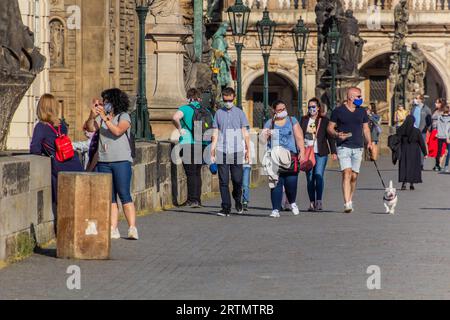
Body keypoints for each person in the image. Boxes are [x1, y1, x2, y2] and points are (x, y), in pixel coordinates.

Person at [84, 88, 138, 240]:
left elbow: (118, 131)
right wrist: (92, 116)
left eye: (106, 101)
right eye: (103, 102)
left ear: (114, 102)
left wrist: (105, 118)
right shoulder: (101, 119)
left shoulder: (124, 116)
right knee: (110, 197)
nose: (104, 104)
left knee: (124, 194)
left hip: (121, 160)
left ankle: (132, 227)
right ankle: (113, 228)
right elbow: (90, 128)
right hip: (104, 161)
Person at [30, 94, 83, 206]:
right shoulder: (62, 125)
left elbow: (35, 149)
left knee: (63, 202)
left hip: (58, 166)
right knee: (76, 200)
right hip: (73, 162)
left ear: (41, 108)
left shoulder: (41, 126)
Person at [327, 87, 373, 213]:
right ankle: (347, 203)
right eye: (358, 96)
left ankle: (350, 199)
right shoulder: (338, 111)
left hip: (358, 147)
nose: (360, 99)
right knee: (346, 173)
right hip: (343, 146)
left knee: (354, 176)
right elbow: (330, 128)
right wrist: (337, 135)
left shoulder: (362, 111)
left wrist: (369, 142)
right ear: (351, 97)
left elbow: (366, 128)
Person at [262, 100, 305, 218]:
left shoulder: (292, 120)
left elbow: (299, 137)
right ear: (274, 111)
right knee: (276, 184)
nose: (282, 112)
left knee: (291, 182)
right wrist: (266, 135)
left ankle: (292, 202)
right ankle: (275, 209)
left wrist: (302, 151)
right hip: (274, 157)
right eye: (279, 110)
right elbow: (262, 141)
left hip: (291, 155)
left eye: (284, 109)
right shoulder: (269, 123)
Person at [210, 87, 250, 216]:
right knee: (223, 180)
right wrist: (212, 149)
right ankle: (225, 207)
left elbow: (245, 132)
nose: (228, 102)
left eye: (230, 100)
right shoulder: (218, 113)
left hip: (237, 150)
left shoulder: (240, 113)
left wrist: (248, 149)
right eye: (225, 100)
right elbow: (215, 132)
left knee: (237, 180)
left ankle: (237, 199)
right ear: (223, 98)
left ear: (234, 98)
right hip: (222, 149)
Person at [172, 88, 211, 208]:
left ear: (188, 97)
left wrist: (179, 129)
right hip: (202, 143)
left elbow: (175, 117)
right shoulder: (206, 111)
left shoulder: (185, 108)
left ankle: (192, 200)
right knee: (197, 172)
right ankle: (197, 199)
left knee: (190, 173)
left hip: (188, 143)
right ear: (199, 98)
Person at [300, 98, 337, 212]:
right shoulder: (304, 120)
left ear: (318, 108)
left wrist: (333, 151)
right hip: (307, 152)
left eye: (313, 107)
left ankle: (319, 201)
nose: (311, 109)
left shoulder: (324, 120)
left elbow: (330, 137)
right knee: (310, 178)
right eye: (310, 107)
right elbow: (299, 135)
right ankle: (312, 202)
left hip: (321, 152)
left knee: (318, 175)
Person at [397, 115, 428, 190]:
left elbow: (397, 140)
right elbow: (421, 142)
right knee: (413, 166)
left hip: (404, 150)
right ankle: (411, 183)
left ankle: (404, 183)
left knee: (404, 166)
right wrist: (425, 153)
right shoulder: (416, 131)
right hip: (414, 150)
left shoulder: (401, 130)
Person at [410, 94, 432, 169]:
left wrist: (428, 129)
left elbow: (429, 120)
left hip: (422, 131)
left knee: (421, 147)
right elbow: (410, 118)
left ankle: (420, 164)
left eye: (417, 98)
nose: (415, 99)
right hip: (413, 130)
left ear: (421, 100)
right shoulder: (413, 108)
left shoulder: (426, 109)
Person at [430, 98, 446, 171]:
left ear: (441, 104)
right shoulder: (436, 111)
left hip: (439, 131)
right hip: (434, 130)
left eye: (437, 103)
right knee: (435, 149)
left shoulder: (443, 112)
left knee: (441, 149)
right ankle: (437, 163)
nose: (435, 104)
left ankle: (439, 164)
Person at [435, 104, 450, 172]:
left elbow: (437, 125)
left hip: (440, 135)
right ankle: (446, 166)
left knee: (439, 151)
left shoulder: (439, 117)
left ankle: (437, 166)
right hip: (447, 136)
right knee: (448, 151)